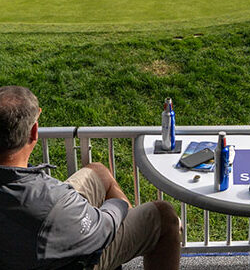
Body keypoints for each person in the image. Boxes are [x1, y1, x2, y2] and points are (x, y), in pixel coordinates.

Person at [0, 85, 181, 270]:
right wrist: (119, 205)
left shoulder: (53, 201)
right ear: (34, 132)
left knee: (98, 172)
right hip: (72, 260)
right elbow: (105, 225)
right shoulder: (54, 203)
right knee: (165, 215)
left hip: (29, 243)